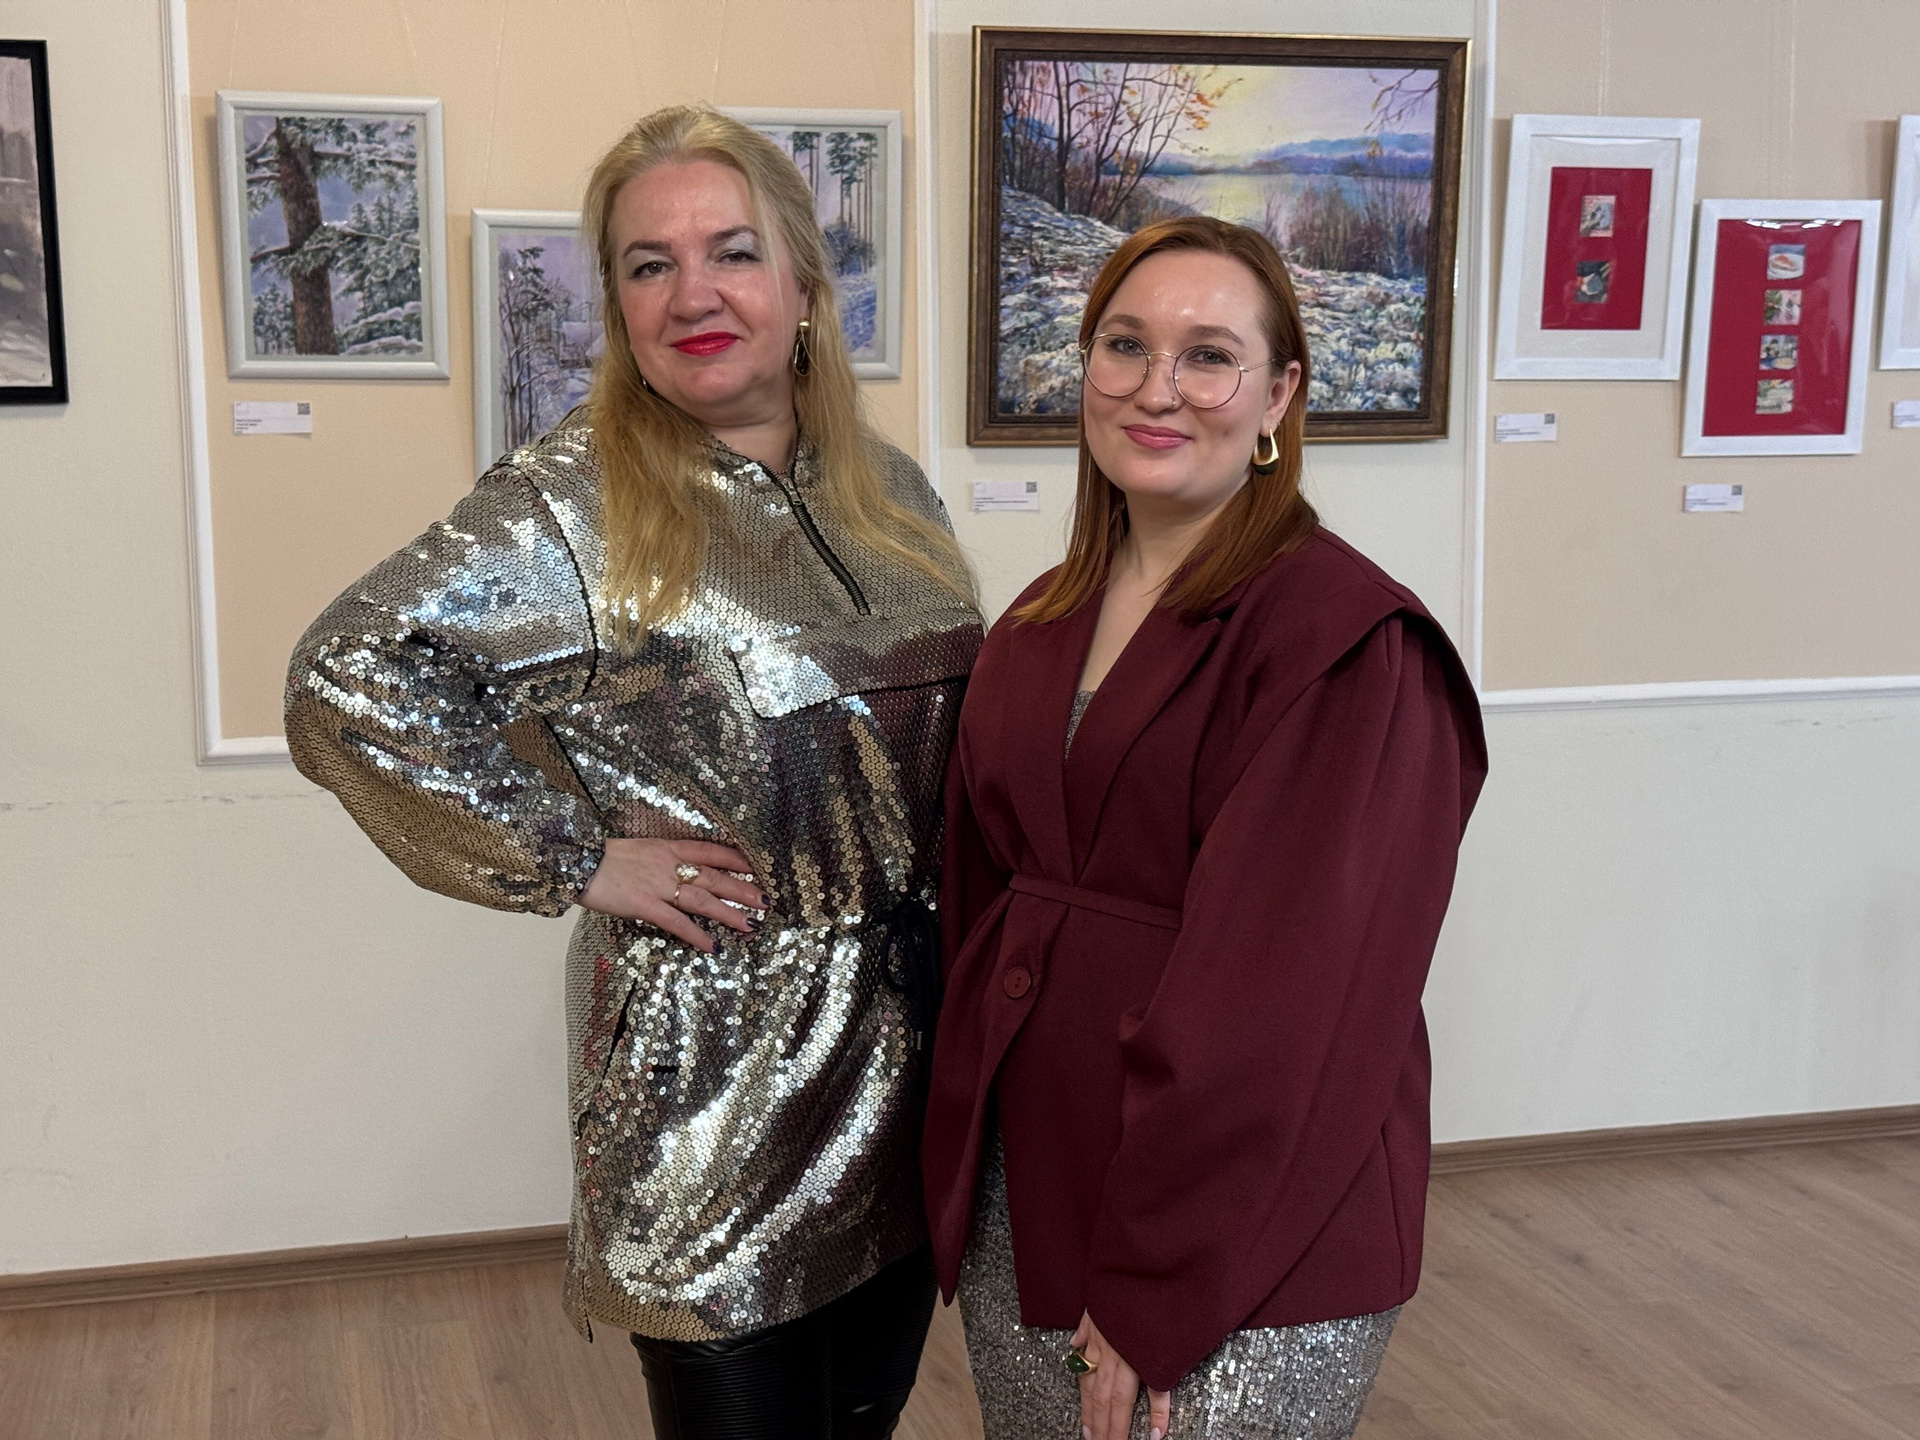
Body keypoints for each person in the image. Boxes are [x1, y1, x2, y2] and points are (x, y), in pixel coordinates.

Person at [286, 105, 983, 1440]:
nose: (693, 294)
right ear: (617, 305)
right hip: (716, 1077)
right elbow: (345, 677)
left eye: (732, 251)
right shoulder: (572, 504)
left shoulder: (890, 491)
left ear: (804, 284)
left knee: (862, 1414)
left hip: (904, 1059)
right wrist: (577, 855)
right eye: (649, 265)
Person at [921, 216, 1487, 1440]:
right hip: (1035, 1181)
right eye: (1125, 346)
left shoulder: (1347, 643)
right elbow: (975, 898)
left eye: (1209, 356)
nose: (1157, 388)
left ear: (1278, 395)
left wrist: (1159, 1278)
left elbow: (1285, 1006)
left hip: (1235, 1226)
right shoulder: (1038, 620)